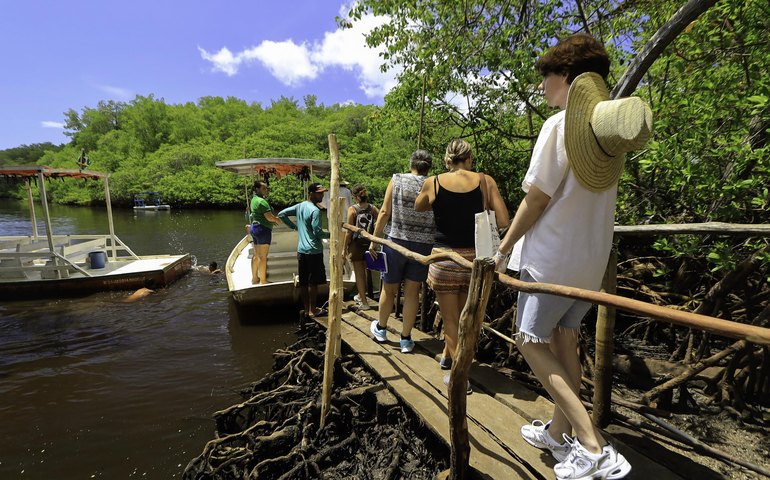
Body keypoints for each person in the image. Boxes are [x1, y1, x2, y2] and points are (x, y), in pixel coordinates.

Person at [494, 33, 651, 480]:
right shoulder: (605, 135)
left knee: (528, 339)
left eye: (545, 77)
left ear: (564, 76)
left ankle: (592, 444)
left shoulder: (559, 126)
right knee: (565, 340)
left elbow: (538, 199)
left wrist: (503, 248)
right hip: (590, 262)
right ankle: (560, 433)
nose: (542, 87)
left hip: (552, 259)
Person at [415, 139, 509, 387]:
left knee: (451, 319)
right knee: (468, 317)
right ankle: (452, 357)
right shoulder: (485, 181)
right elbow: (503, 219)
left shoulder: (433, 182)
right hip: (475, 261)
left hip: (444, 258)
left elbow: (419, 206)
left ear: (448, 160)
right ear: (469, 158)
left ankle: (460, 377)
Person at [368, 150, 435, 353]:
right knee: (413, 292)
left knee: (389, 289)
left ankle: (381, 329)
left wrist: (374, 240)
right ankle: (406, 339)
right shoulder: (434, 184)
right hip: (423, 246)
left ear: (411, 164)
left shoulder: (397, 179)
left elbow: (385, 211)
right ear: (428, 167)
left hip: (395, 242)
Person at [278, 183, 330, 318]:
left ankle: (307, 310)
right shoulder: (315, 211)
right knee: (313, 283)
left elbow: (281, 214)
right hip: (314, 251)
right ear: (311, 193)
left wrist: (294, 227)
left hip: (301, 251)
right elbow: (318, 232)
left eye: (323, 193)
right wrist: (331, 234)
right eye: (319, 193)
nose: (322, 195)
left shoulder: (300, 206)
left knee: (304, 282)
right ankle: (313, 310)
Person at [344, 185, 380, 310]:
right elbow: (381, 220)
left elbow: (349, 232)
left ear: (354, 197)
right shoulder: (373, 208)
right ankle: (360, 295)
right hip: (369, 243)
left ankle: (364, 303)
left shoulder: (352, 209)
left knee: (359, 274)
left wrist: (344, 249)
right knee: (366, 270)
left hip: (356, 245)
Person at [247, 181, 281, 284]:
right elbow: (269, 217)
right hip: (263, 230)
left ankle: (254, 279)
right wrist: (276, 220)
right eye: (263, 188)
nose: (266, 190)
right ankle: (263, 280)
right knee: (263, 257)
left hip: (254, 228)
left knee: (256, 255)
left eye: (266, 188)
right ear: (257, 189)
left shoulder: (253, 200)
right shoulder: (262, 202)